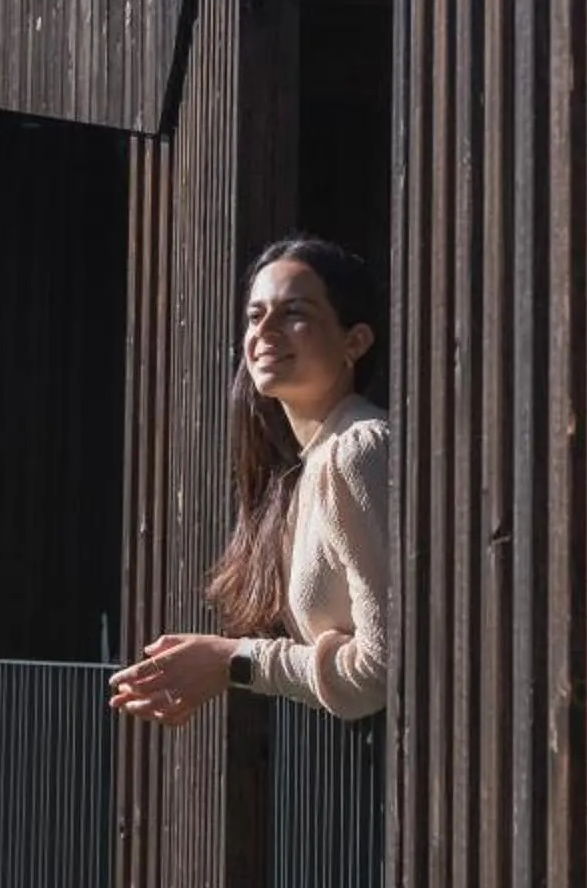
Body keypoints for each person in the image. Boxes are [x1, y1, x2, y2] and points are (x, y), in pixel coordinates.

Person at [108, 235, 387, 727]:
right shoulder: (308, 464)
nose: (266, 332)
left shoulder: (359, 450)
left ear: (355, 341)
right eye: (256, 316)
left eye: (294, 312)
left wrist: (233, 660)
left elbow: (382, 668)